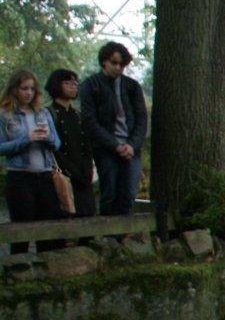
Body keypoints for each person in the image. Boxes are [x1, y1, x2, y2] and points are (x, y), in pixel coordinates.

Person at [79, 41, 147, 216]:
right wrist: (115, 145)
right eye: (114, 63)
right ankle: (108, 238)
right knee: (109, 193)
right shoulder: (91, 85)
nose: (118, 68)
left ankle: (122, 236)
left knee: (129, 193)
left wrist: (132, 145)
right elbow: (90, 121)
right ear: (104, 62)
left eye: (122, 64)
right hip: (106, 148)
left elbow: (141, 119)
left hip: (131, 147)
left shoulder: (132, 86)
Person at [0, 69, 64, 254]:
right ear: (14, 90)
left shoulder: (43, 113)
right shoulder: (5, 115)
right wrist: (26, 139)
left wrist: (47, 138)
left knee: (46, 228)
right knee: (22, 230)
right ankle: (18, 271)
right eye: (24, 88)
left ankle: (45, 270)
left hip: (44, 176)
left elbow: (57, 143)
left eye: (32, 89)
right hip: (20, 177)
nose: (28, 93)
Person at [45, 69, 95, 221]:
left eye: (75, 83)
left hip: (83, 170)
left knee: (86, 212)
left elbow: (86, 143)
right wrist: (68, 168)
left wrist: (88, 167)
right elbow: (53, 146)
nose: (73, 87)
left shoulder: (78, 115)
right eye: (67, 83)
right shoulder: (48, 113)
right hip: (62, 171)